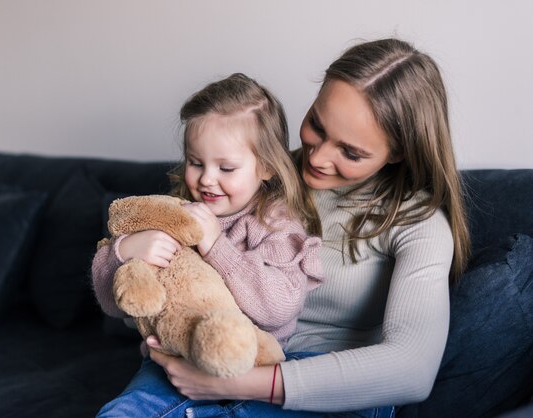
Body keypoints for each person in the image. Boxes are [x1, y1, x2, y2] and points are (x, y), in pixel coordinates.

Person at [139, 38, 472, 417]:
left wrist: (240, 383)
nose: (317, 156)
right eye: (316, 124)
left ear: (398, 152)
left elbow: (413, 370)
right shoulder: (253, 173)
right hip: (217, 357)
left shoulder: (418, 221)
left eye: (350, 152)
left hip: (325, 390)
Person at [92, 73, 326, 416]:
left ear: (266, 167)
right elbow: (112, 304)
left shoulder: (274, 225)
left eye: (227, 167)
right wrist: (125, 251)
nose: (206, 179)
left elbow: (278, 308)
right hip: (171, 361)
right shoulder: (174, 212)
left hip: (249, 368)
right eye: (195, 162)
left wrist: (216, 244)